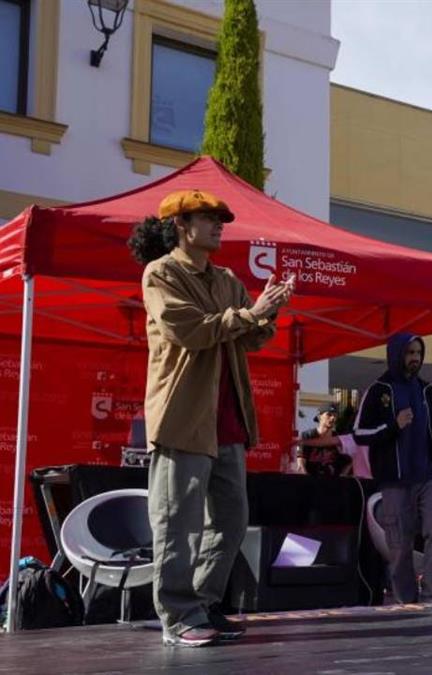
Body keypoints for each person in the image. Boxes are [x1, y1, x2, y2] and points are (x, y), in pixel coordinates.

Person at [130, 191, 292, 647]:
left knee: (232, 518)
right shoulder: (160, 273)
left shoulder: (226, 279)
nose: (220, 225)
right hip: (183, 417)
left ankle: (201, 604)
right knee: (177, 522)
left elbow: (252, 337)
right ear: (182, 224)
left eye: (221, 218)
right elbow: (190, 329)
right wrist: (249, 313)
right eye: (210, 218)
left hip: (227, 420)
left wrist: (268, 310)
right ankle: (178, 618)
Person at [353, 333, 432, 604]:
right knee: (400, 544)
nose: (415, 358)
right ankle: (407, 601)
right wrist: (393, 426)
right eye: (409, 353)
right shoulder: (379, 390)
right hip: (394, 479)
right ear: (396, 355)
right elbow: (359, 432)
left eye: (418, 352)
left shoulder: (428, 390)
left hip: (429, 474)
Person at [299, 404, 352, 477]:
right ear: (319, 416)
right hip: (311, 482)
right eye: (329, 415)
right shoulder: (307, 436)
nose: (333, 418)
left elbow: (349, 461)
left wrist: (342, 478)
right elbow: (301, 462)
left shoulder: (338, 439)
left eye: (335, 415)